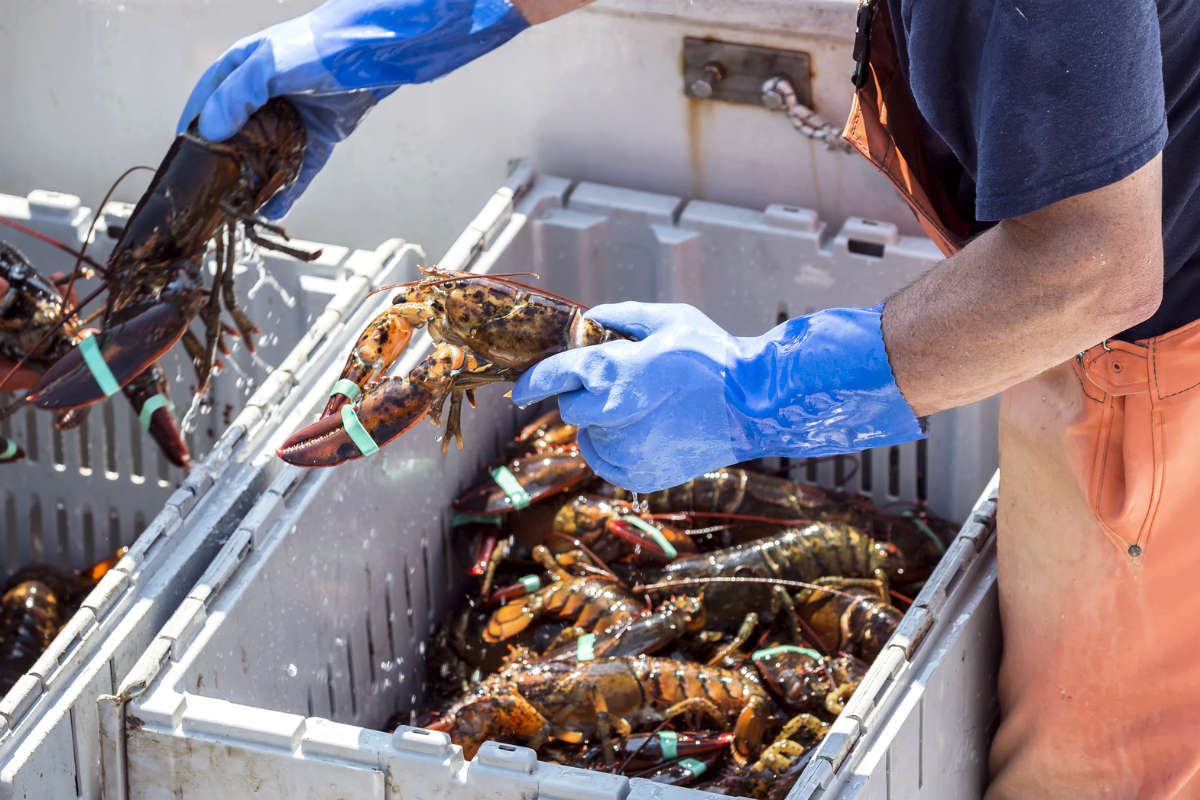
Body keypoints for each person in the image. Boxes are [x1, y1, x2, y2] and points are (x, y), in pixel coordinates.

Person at [180, 1, 1200, 796]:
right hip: (1076, 291)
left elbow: (1090, 266)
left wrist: (752, 396)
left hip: (1150, 357)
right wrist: (393, 35)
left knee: (1090, 774)